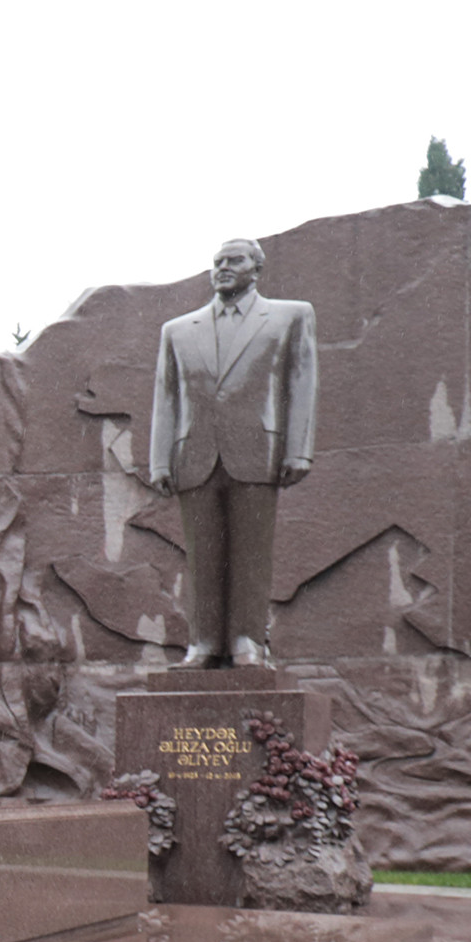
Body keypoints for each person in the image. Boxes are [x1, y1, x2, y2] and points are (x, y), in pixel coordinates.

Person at [146, 237, 319, 669]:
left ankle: (247, 642)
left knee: (251, 554)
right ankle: (203, 643)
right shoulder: (178, 330)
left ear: (256, 268)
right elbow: (167, 397)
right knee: (201, 556)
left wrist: (298, 450)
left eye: (234, 260)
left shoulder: (290, 316)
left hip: (258, 451)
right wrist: (160, 460)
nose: (223, 267)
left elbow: (301, 383)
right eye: (217, 262)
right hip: (195, 455)